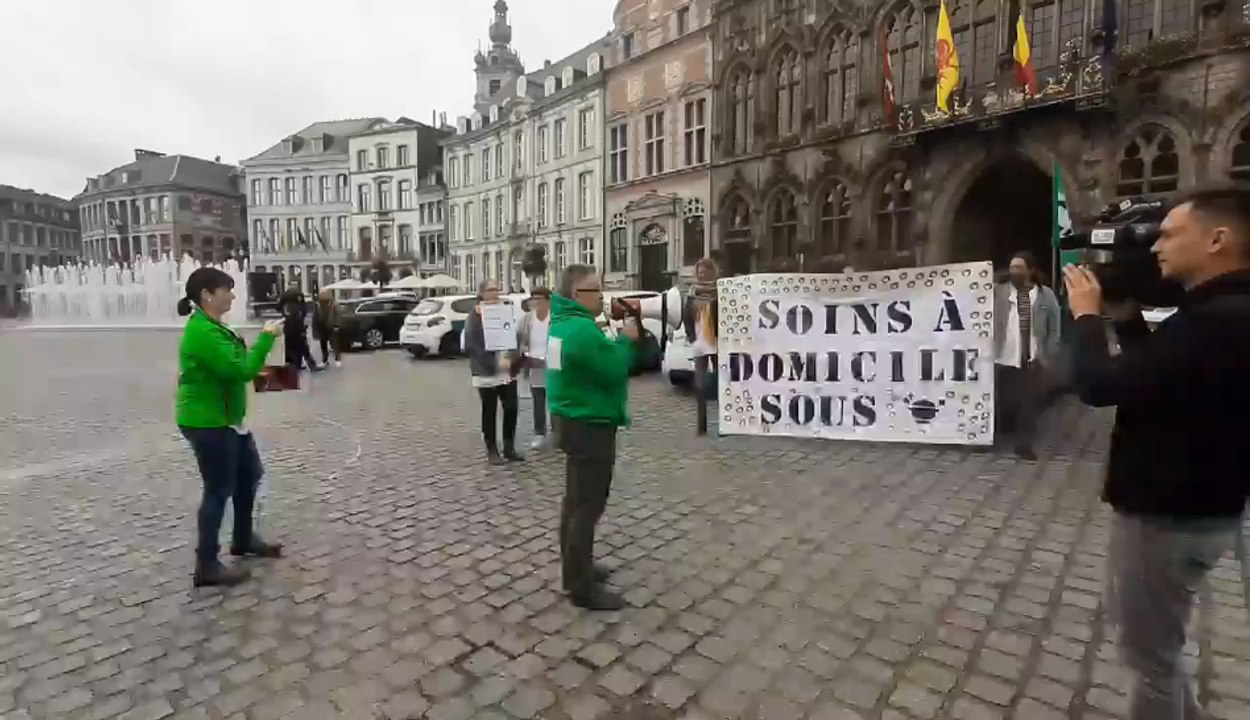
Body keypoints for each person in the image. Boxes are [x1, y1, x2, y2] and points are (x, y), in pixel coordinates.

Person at [1064, 185, 1250, 719]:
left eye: (1169, 233)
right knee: (1160, 658)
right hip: (1207, 509)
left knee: (1150, 663)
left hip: (1165, 516)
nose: (1157, 246)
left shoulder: (1215, 321)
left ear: (1218, 239)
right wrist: (1125, 321)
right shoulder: (1223, 312)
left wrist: (1085, 318)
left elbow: (1100, 385)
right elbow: (1159, 377)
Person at [176, 267, 286, 588]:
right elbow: (240, 370)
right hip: (209, 422)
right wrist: (266, 337)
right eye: (228, 289)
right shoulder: (202, 332)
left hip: (229, 421)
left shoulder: (214, 327)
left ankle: (242, 539)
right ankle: (206, 565)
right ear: (208, 295)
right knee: (218, 490)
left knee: (249, 475)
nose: (234, 295)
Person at [547, 264, 639, 611]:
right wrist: (624, 341)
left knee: (574, 502)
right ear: (576, 295)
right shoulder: (582, 331)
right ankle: (581, 586)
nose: (601, 295)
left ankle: (576, 569)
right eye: (595, 290)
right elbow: (613, 372)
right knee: (587, 507)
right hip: (589, 424)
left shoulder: (563, 324)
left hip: (570, 419)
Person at [992, 251, 1061, 460]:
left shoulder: (1044, 294)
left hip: (1031, 357)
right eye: (1012, 267)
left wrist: (1050, 351)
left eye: (1019, 267)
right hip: (1002, 355)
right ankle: (993, 437)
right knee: (999, 399)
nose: (1015, 271)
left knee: (1028, 404)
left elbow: (1054, 325)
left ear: (1031, 270)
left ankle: (1024, 445)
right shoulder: (999, 292)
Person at [464, 278, 523, 465]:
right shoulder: (474, 316)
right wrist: (493, 364)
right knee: (489, 410)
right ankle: (491, 449)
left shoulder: (505, 311)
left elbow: (513, 336)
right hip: (486, 371)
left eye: (497, 289)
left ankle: (509, 447)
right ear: (482, 293)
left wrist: (511, 358)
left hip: (506, 368)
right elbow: (473, 345)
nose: (495, 293)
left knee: (511, 407)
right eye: (491, 290)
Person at [683, 257, 720, 435]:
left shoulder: (720, 291)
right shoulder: (692, 293)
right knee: (700, 384)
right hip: (700, 341)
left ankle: (725, 422)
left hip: (717, 341)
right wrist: (691, 337)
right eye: (699, 271)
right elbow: (686, 316)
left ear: (712, 272)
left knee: (723, 382)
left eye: (705, 271)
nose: (701, 274)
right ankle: (701, 425)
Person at [517, 287, 554, 451]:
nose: (537, 302)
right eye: (534, 299)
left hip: (553, 364)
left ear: (548, 300)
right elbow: (518, 338)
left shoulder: (555, 318)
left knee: (555, 400)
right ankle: (540, 433)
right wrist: (524, 354)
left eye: (540, 299)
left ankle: (557, 432)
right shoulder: (526, 319)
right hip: (534, 364)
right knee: (538, 400)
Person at [281, 290, 320, 372]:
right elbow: (300, 318)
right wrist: (303, 330)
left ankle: (298, 365)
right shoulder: (297, 307)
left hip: (288, 331)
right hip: (298, 330)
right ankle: (310, 365)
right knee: (303, 348)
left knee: (293, 349)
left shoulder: (285, 306)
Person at [312, 290, 342, 368]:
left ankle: (338, 360)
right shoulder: (319, 304)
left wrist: (336, 325)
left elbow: (338, 315)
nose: (323, 296)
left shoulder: (334, 304)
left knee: (335, 344)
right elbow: (315, 316)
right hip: (322, 327)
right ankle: (325, 360)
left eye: (324, 294)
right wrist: (315, 327)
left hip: (331, 326)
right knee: (323, 345)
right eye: (322, 295)